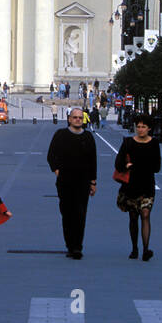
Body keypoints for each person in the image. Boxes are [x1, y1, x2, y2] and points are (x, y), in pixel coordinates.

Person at [46, 108, 97, 259]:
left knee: (81, 213)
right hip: (65, 181)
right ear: (69, 119)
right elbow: (51, 155)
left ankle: (77, 247)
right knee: (67, 214)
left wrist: (93, 181)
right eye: (74, 117)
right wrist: (57, 171)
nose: (77, 120)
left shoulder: (88, 137)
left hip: (83, 181)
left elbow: (92, 160)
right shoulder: (60, 135)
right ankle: (70, 244)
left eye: (80, 118)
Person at [116, 114, 162, 261]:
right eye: (138, 126)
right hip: (131, 186)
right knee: (133, 217)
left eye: (143, 127)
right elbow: (118, 163)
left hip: (147, 185)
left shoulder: (154, 143)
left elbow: (157, 167)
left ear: (149, 128)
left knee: (146, 214)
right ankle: (134, 248)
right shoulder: (128, 142)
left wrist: (136, 165)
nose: (140, 129)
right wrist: (127, 165)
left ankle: (146, 249)